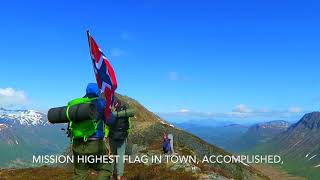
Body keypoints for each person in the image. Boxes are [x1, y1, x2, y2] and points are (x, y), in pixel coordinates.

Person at [72, 83, 112, 180]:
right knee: (106, 168)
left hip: (77, 144)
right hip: (95, 144)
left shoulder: (77, 105)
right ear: (98, 92)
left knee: (80, 174)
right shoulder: (101, 103)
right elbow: (111, 121)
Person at [108, 98, 131, 180]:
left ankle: (110, 174)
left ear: (115, 104)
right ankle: (119, 175)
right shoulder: (125, 113)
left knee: (112, 155)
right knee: (121, 156)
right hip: (122, 138)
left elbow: (108, 124)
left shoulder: (112, 113)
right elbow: (129, 126)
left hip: (112, 137)